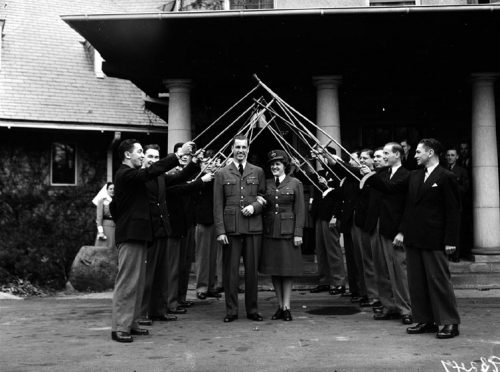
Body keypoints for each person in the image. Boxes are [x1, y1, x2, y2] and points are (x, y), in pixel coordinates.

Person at [109, 139, 198, 343]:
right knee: (128, 282)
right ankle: (120, 327)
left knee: (137, 283)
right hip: (131, 235)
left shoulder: (135, 176)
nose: (142, 155)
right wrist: (177, 155)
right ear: (127, 155)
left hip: (139, 235)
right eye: (139, 152)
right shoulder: (125, 174)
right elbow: (150, 172)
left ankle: (131, 323)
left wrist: (192, 163)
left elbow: (156, 175)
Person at [401, 138, 461, 339]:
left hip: (435, 238)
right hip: (414, 238)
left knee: (439, 281)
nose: (415, 155)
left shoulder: (446, 176)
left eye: (418, 152)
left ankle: (449, 322)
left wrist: (450, 240)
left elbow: (453, 211)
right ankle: (425, 320)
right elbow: (402, 200)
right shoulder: (415, 176)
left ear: (430, 152)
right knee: (417, 282)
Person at [213, 134, 265, 323]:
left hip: (253, 228)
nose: (241, 151)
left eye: (244, 148)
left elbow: (263, 196)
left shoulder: (258, 171)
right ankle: (231, 310)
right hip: (231, 229)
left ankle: (252, 310)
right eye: (238, 148)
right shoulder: (222, 173)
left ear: (248, 150)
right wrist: (220, 231)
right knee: (230, 273)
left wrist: (255, 207)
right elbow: (217, 204)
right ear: (232, 149)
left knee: (252, 272)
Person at [360, 142, 412, 325]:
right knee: (381, 270)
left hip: (394, 230)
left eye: (387, 153)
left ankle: (406, 309)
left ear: (397, 155)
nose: (384, 156)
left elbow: (404, 202)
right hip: (377, 227)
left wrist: (403, 231)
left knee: (399, 271)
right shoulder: (382, 174)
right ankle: (389, 306)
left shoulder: (406, 175)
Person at [259, 150, 305, 321]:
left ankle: (287, 306)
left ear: (284, 165)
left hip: (288, 233)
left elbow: (300, 210)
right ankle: (279, 306)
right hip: (270, 233)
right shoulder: (267, 184)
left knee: (287, 271)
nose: (274, 167)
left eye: (278, 164)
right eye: (272, 165)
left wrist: (298, 233)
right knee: (275, 271)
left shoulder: (295, 183)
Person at [309, 147, 346, 296]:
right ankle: (324, 281)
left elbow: (340, 197)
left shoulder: (339, 173)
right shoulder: (322, 173)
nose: (320, 158)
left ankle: (338, 282)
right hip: (319, 216)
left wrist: (336, 216)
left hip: (331, 216)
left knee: (333, 251)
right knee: (321, 250)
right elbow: (306, 175)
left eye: (322, 155)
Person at [445, 147, 471, 262]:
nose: (450, 157)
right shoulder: (441, 170)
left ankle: (455, 256)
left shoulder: (462, 171)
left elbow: (465, 188)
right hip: (443, 206)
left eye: (452, 155)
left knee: (456, 231)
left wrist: (452, 186)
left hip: (456, 206)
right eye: (448, 155)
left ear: (457, 157)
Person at [94, 182, 115, 248]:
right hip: (105, 228)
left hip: (116, 228)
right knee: (103, 249)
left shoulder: (118, 201)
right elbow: (99, 217)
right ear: (107, 190)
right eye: (110, 189)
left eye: (114, 189)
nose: (112, 190)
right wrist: (101, 232)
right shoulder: (102, 201)